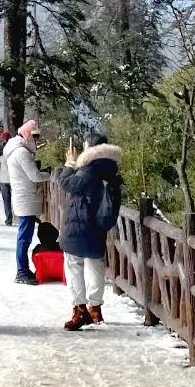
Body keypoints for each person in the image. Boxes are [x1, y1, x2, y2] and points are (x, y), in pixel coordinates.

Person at [56, 134, 123, 330]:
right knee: (95, 266)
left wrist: (70, 163)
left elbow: (65, 183)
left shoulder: (89, 170)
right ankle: (95, 309)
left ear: (91, 149)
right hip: (97, 227)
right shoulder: (109, 170)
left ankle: (80, 309)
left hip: (78, 225)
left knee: (74, 265)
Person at [2, 120, 52, 283]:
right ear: (28, 135)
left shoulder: (16, 150)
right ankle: (21, 271)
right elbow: (34, 176)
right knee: (24, 237)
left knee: (24, 236)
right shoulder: (21, 152)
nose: (36, 140)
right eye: (34, 136)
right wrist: (49, 175)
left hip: (24, 197)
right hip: (26, 198)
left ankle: (23, 269)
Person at [31, 219, 66, 284]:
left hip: (43, 273)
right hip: (60, 272)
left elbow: (34, 260)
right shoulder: (61, 247)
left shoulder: (38, 249)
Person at [0, 137, 13, 225]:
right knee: (12, 199)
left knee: (6, 200)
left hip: (4, 178)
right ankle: (12, 217)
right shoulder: (13, 149)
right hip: (12, 177)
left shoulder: (2, 152)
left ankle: (9, 218)